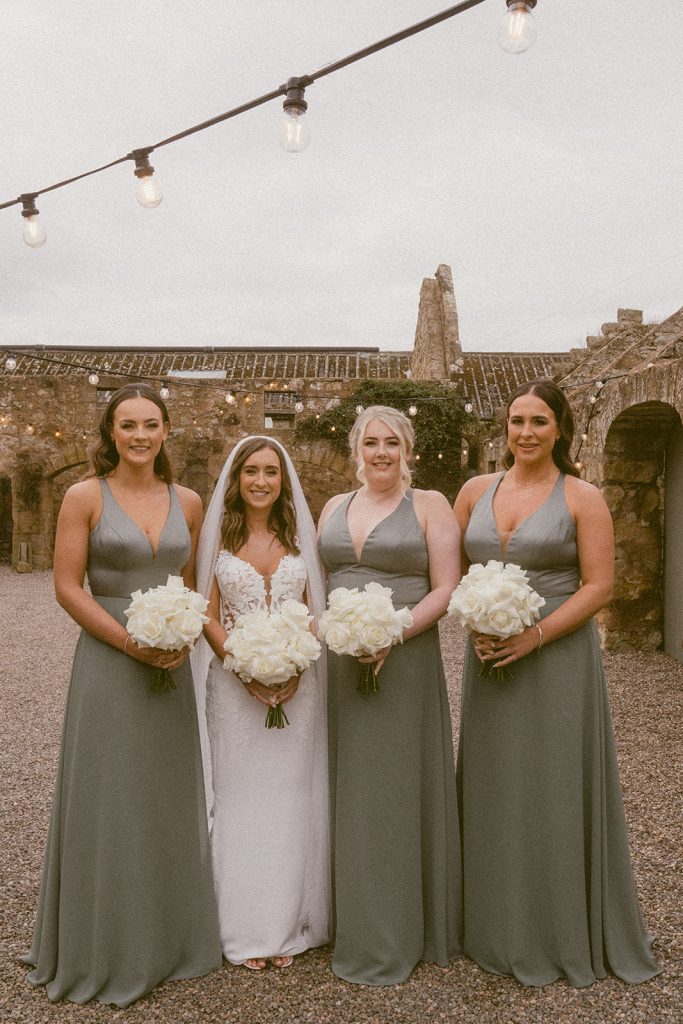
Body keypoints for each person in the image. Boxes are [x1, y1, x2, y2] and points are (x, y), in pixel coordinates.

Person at [453, 379, 660, 987]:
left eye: (539, 422)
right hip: (489, 656)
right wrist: (478, 621)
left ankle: (557, 926)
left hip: (556, 659)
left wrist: (534, 635)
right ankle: (491, 925)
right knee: (494, 785)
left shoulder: (583, 496)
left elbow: (601, 586)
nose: (525, 433)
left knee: (552, 785)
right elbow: (456, 569)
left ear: (561, 429)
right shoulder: (473, 491)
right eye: (517, 421)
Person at [20, 384, 221, 1007]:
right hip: (110, 662)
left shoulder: (187, 501)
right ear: (110, 433)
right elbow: (67, 586)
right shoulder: (83, 496)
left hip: (170, 661)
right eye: (127, 425)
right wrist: (130, 643)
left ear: (166, 432)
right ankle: (101, 941)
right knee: (109, 794)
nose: (139, 435)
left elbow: (193, 585)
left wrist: (187, 636)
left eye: (150, 424)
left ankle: (167, 938)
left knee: (163, 792)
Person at [317, 405, 462, 985]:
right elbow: (316, 580)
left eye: (392, 443)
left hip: (405, 661)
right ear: (357, 449)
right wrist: (327, 632)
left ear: (408, 450)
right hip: (341, 663)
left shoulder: (430, 506)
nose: (381, 453)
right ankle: (348, 917)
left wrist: (391, 633)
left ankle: (404, 925)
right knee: (350, 787)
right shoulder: (332, 507)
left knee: (397, 787)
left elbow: (447, 586)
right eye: (371, 442)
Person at [191, 436, 330, 971]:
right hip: (233, 685)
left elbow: (317, 603)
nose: (261, 481)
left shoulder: (299, 535)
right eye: (251, 471)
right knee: (240, 798)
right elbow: (206, 612)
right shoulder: (217, 540)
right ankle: (244, 927)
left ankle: (288, 922)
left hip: (300, 685)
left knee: (292, 797)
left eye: (271, 472)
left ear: (284, 480)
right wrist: (245, 669)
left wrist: (295, 664)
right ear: (236, 479)